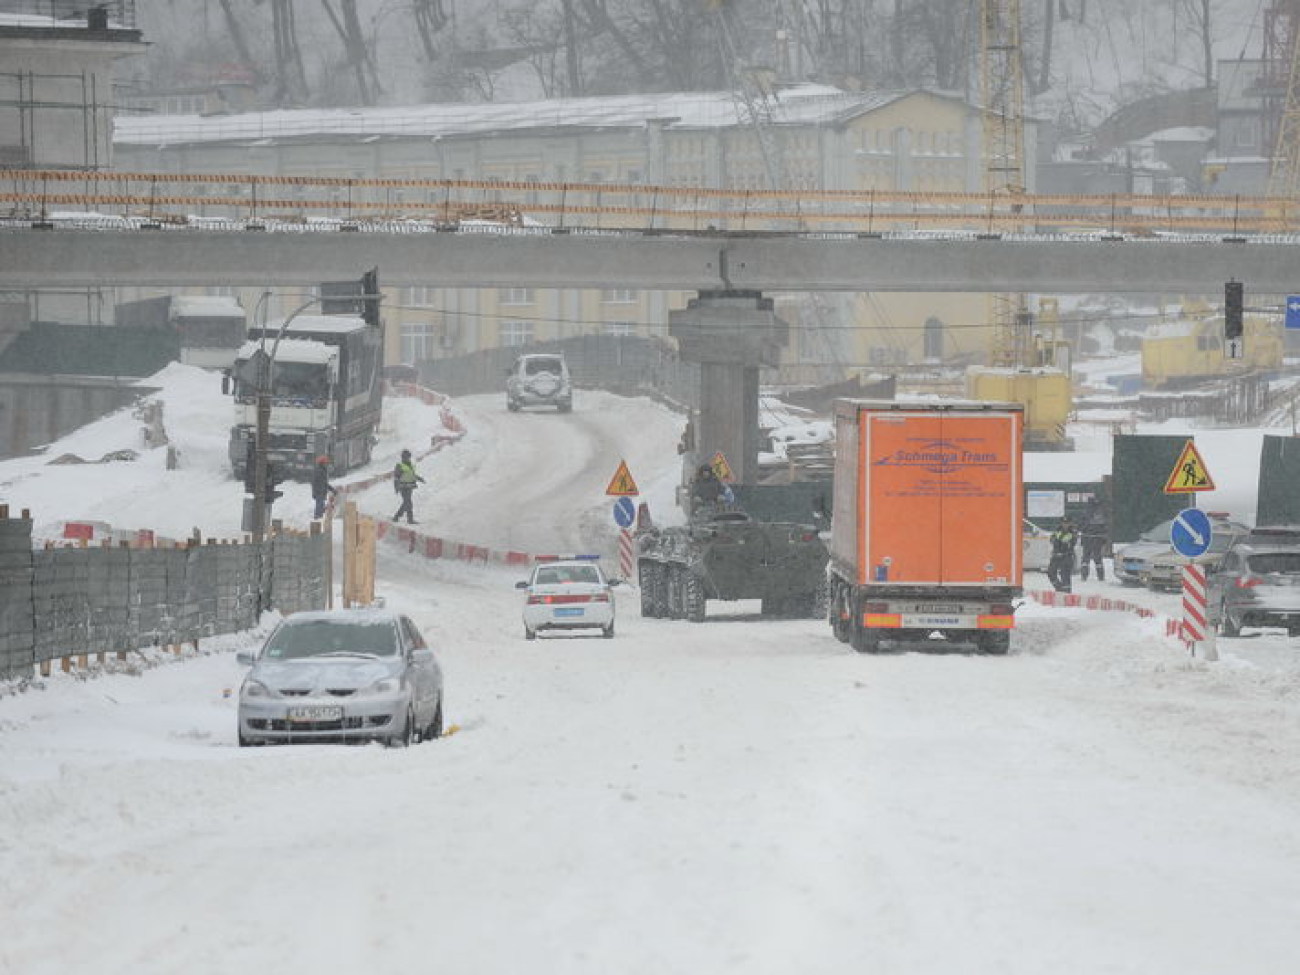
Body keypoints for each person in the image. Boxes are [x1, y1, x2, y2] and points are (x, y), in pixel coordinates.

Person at [392, 449, 426, 524]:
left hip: (410, 487)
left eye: (407, 457)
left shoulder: (411, 465)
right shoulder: (399, 466)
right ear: (402, 458)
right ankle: (410, 519)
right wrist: (396, 487)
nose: (406, 458)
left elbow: (412, 475)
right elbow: (396, 478)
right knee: (408, 503)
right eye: (405, 457)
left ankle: (397, 516)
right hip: (403, 487)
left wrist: (420, 479)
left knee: (406, 503)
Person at [1079, 498, 1108, 581]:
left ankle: (1084, 576)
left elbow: (1080, 525)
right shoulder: (1100, 512)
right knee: (1098, 558)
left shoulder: (1085, 512)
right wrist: (1103, 538)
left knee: (1085, 558)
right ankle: (1101, 576)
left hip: (1087, 537)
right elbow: (1104, 527)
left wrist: (1083, 531)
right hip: (1097, 538)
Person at [1047, 518, 1080, 593]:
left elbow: (1072, 542)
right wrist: (1055, 541)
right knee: (1051, 572)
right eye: (1064, 523)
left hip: (1067, 555)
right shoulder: (1057, 530)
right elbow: (1052, 539)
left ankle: (1067, 591)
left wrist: (1061, 540)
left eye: (1067, 523)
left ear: (1070, 523)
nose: (1065, 525)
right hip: (1056, 554)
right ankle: (1059, 588)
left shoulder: (1073, 532)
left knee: (1065, 574)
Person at [311, 455, 336, 520]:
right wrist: (331, 489)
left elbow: (323, 483)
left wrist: (332, 489)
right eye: (326, 463)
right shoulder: (320, 471)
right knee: (319, 509)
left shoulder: (321, 470)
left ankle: (318, 520)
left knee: (320, 508)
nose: (327, 464)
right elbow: (322, 483)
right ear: (322, 463)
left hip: (320, 492)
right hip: (319, 492)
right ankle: (317, 521)